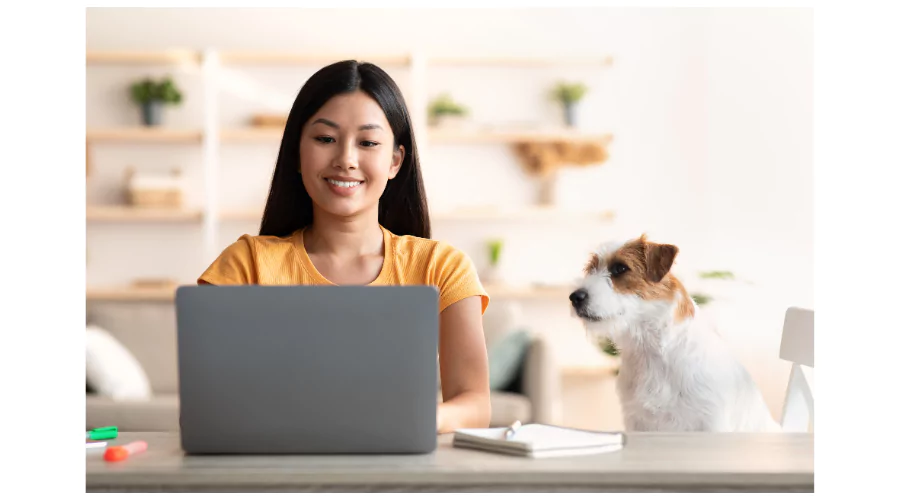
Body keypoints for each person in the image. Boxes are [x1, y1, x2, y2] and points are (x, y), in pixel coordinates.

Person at [197, 60, 491, 434]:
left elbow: (475, 404)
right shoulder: (246, 264)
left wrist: (416, 420)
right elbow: (207, 405)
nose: (346, 160)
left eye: (367, 142)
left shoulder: (442, 267)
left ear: (395, 161)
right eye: (325, 139)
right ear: (297, 154)